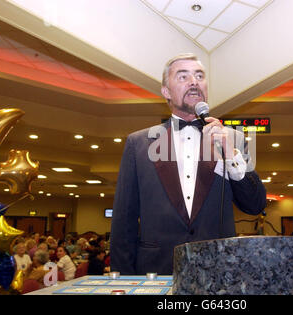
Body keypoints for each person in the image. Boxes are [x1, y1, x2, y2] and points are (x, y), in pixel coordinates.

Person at [110, 53, 267, 275]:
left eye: (199, 76)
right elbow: (123, 221)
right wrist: (122, 283)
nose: (194, 81)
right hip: (156, 272)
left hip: (218, 273)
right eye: (183, 76)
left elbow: (255, 204)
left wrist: (230, 154)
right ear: (166, 91)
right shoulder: (138, 144)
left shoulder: (233, 139)